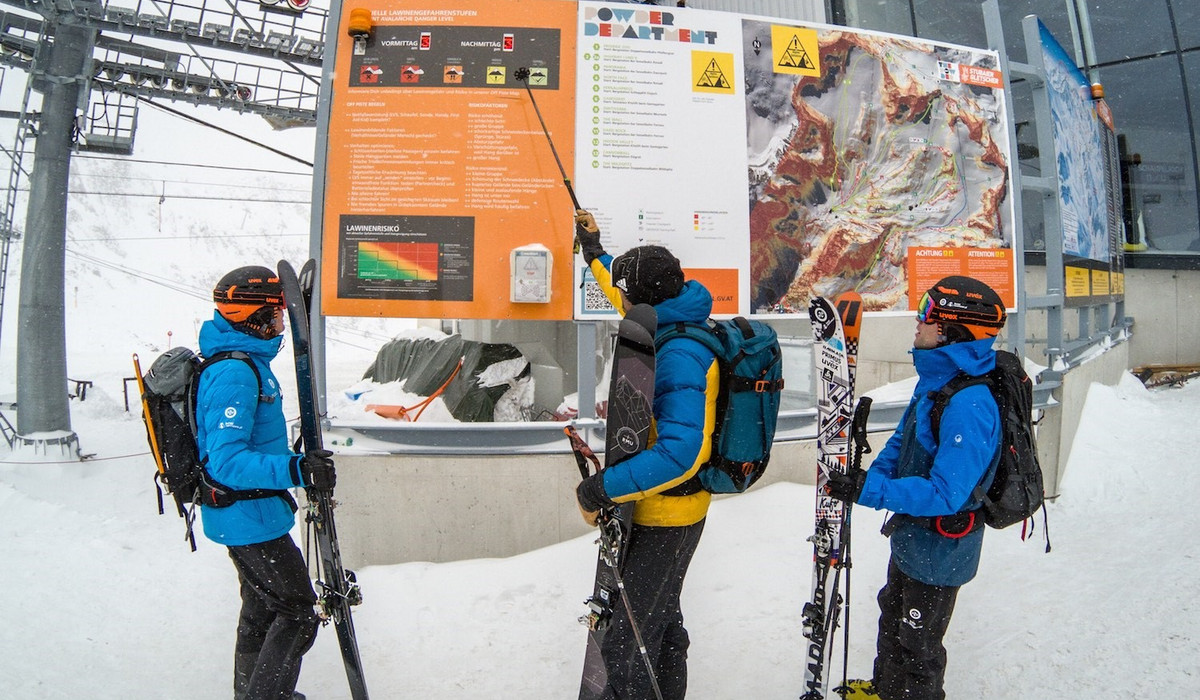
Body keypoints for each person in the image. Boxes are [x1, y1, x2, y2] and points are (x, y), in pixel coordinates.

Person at [824, 275, 1008, 700]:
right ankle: (886, 692)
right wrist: (867, 480)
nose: (917, 323)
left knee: (919, 647)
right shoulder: (937, 381)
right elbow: (904, 442)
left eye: (926, 315)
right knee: (892, 620)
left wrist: (874, 492)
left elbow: (948, 494)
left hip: (943, 549)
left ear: (950, 330)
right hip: (914, 537)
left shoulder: (969, 404)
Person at [572, 209, 718, 699]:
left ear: (645, 297)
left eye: (627, 293)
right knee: (659, 623)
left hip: (665, 516)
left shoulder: (679, 352)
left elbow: (681, 453)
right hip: (668, 511)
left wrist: (600, 489)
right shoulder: (673, 313)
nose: (621, 299)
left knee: (628, 645)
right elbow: (624, 292)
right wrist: (593, 250)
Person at [197, 265, 336, 700]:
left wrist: (291, 456)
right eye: (275, 315)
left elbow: (252, 440)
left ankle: (252, 694)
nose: (280, 323)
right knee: (297, 613)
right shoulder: (234, 372)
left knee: (261, 610)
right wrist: (295, 471)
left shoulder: (249, 362)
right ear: (252, 316)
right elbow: (227, 461)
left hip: (249, 513)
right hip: (247, 516)